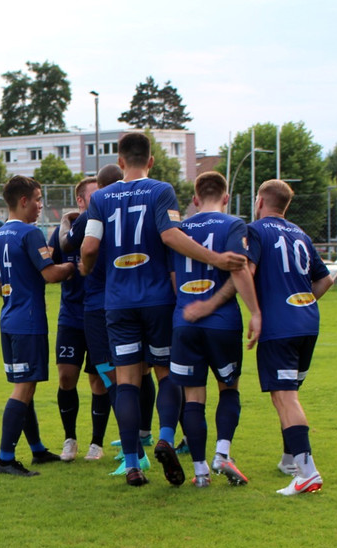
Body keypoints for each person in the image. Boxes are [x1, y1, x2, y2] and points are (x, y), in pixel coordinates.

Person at [80, 132, 246, 487]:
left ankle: (132, 463)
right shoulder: (160, 190)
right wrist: (216, 258)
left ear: (120, 161)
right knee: (166, 374)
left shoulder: (102, 197)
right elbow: (170, 235)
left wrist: (85, 266)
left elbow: (90, 245)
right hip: (157, 301)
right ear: (151, 161)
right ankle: (166, 437)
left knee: (125, 381)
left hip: (119, 302)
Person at [169, 171, 260, 487]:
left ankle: (200, 472)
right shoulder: (234, 224)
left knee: (193, 396)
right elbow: (240, 270)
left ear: (194, 200)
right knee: (228, 388)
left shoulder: (179, 229)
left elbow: (173, 279)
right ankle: (223, 453)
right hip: (222, 324)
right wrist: (256, 312)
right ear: (225, 198)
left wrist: (187, 305)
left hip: (185, 321)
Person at [248, 179, 333, 495]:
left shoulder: (256, 230)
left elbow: (248, 271)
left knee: (285, 396)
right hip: (307, 323)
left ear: (260, 201)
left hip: (279, 327)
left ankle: (307, 471)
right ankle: (289, 459)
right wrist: (302, 303)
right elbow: (325, 281)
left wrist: (256, 310)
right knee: (286, 392)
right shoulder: (300, 233)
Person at [0, 175, 76, 476]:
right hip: (28, 322)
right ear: (23, 201)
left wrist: (15, 292)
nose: (40, 205)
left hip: (9, 319)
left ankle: (37, 449)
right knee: (24, 388)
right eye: (38, 199)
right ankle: (5, 459)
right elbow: (51, 274)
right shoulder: (29, 233)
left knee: (26, 386)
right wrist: (74, 266)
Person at [48, 176, 108, 462]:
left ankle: (97, 443)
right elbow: (47, 265)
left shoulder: (106, 229)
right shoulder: (64, 234)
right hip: (70, 317)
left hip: (100, 316)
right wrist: (65, 269)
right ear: (81, 200)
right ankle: (69, 438)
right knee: (66, 376)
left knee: (100, 380)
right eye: (94, 197)